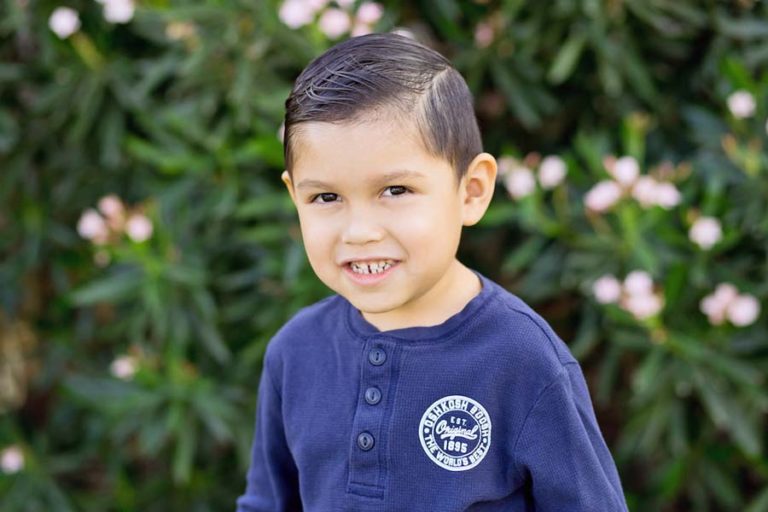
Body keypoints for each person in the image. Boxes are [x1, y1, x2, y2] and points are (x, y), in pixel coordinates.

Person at [236, 32, 628, 512]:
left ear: (472, 191)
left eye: (396, 190)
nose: (360, 231)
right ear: (294, 195)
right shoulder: (295, 353)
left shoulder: (522, 360)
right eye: (326, 197)